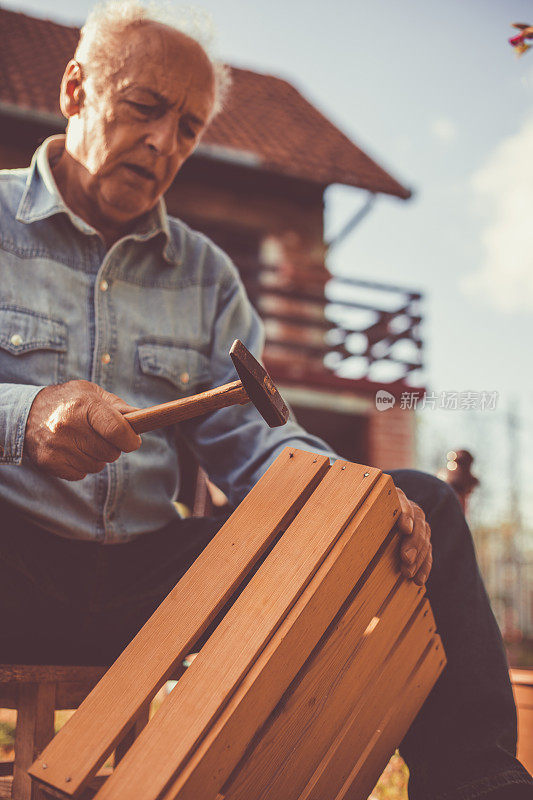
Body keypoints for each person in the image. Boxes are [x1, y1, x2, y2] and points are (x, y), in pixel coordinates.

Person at [0, 2, 531, 797]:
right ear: (75, 90)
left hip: (158, 585)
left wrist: (350, 496)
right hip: (17, 567)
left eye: (187, 128)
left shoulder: (207, 274)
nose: (164, 142)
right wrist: (22, 417)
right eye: (145, 107)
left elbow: (257, 440)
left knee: (411, 498)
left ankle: (480, 785)